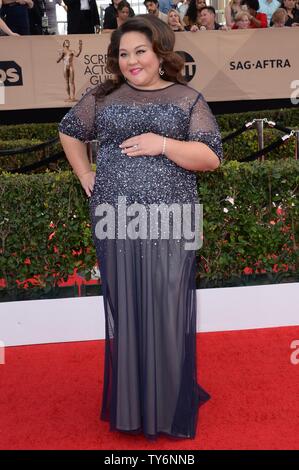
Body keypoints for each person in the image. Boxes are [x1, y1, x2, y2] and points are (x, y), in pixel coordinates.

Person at [58, 14, 223, 440]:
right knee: (126, 307)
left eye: (141, 51)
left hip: (170, 220)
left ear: (160, 52)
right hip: (115, 219)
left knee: (166, 307)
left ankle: (166, 403)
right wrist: (85, 175)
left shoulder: (188, 98)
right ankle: (132, 405)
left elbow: (210, 158)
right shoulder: (104, 96)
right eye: (124, 53)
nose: (132, 61)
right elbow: (70, 131)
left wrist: (162, 144)